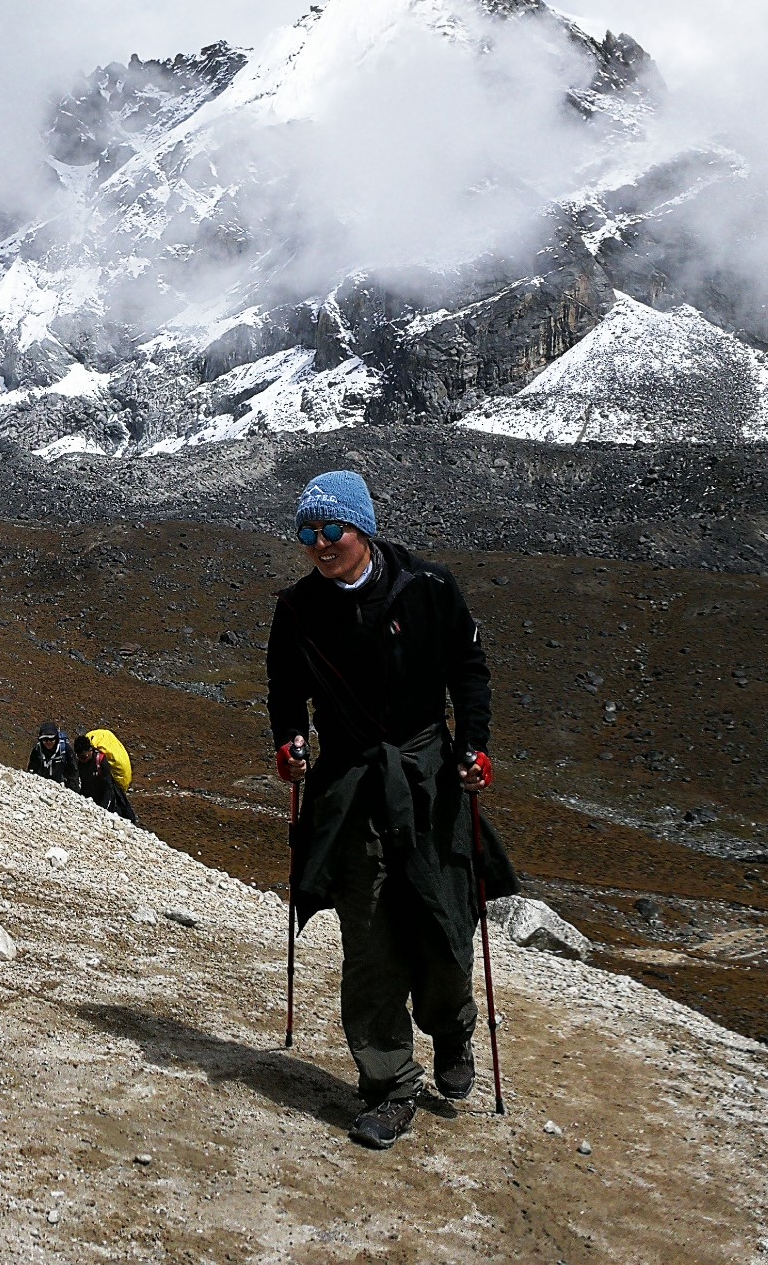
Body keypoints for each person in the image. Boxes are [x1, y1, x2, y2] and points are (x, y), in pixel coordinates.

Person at [267, 469, 518, 1151]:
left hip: (428, 777)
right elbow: (284, 691)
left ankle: (453, 1028)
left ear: (363, 529)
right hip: (349, 788)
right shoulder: (295, 610)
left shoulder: (430, 590)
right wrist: (289, 741)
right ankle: (388, 1083)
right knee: (370, 942)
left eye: (330, 530)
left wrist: (476, 747)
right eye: (306, 533)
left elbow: (469, 673)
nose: (318, 544)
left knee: (442, 926)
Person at [74, 725, 137, 823]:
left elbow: (109, 787)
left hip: (108, 800)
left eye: (85, 756)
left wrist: (103, 810)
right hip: (92, 798)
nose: (83, 760)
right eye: (81, 757)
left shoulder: (101, 760)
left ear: (91, 751)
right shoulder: (80, 763)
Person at [27, 722, 78, 788]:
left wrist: (73, 790)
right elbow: (32, 769)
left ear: (56, 738)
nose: (48, 742)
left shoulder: (65, 748)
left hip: (62, 786)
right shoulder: (37, 750)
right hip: (42, 785)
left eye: (51, 739)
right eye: (45, 739)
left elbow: (74, 771)